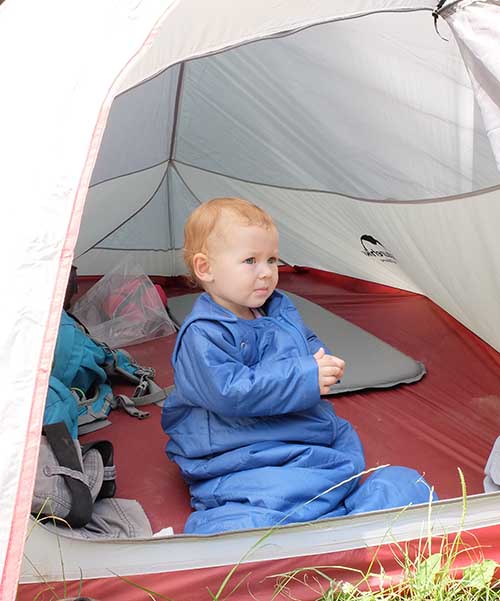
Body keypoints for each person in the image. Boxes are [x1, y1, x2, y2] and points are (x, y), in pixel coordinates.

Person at [162, 197, 435, 534]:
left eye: (272, 260)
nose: (266, 273)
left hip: (294, 431)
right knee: (269, 497)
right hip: (235, 447)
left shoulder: (276, 307)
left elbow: (302, 340)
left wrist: (320, 360)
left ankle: (334, 516)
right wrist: (305, 376)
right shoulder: (203, 333)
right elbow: (228, 391)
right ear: (206, 269)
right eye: (250, 261)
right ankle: (311, 524)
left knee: (392, 483)